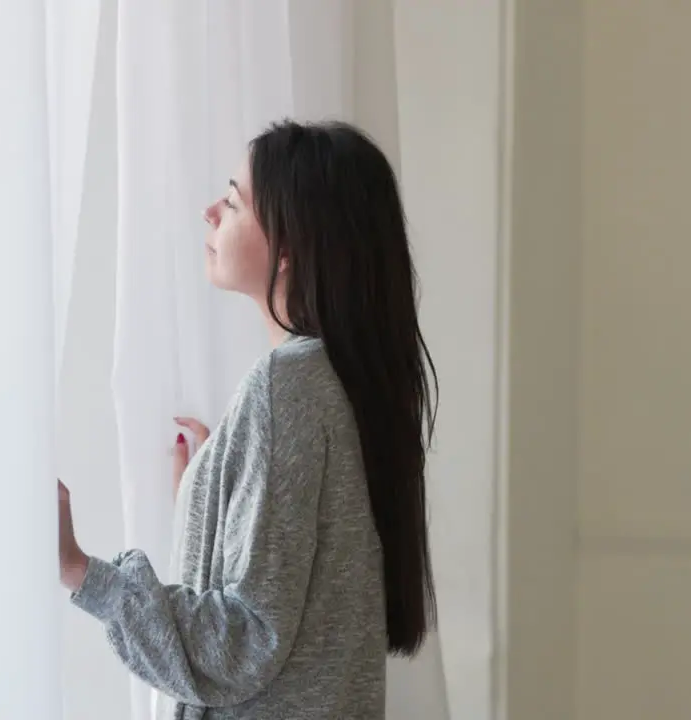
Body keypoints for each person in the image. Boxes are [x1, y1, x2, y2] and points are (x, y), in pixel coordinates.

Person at [57, 120, 438, 720]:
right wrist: (214, 485)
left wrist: (80, 571)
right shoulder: (347, 383)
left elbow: (246, 641)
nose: (211, 211)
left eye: (232, 201)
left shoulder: (285, 389)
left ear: (289, 249)